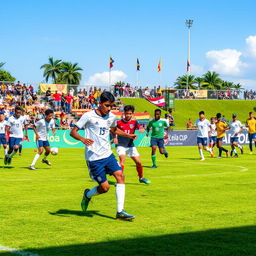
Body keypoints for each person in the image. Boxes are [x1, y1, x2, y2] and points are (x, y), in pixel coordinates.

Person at [70, 91, 137, 220]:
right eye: (107, 105)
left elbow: (113, 130)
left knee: (120, 176)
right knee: (105, 188)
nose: (109, 108)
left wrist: (128, 135)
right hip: (94, 157)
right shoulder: (88, 116)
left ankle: (120, 212)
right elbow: (73, 132)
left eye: (111, 106)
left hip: (108, 154)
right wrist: (83, 139)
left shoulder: (111, 117)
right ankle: (88, 195)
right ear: (100, 103)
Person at [114, 105, 150, 184]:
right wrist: (114, 137)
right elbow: (113, 130)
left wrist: (141, 129)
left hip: (130, 145)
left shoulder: (134, 122)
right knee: (122, 160)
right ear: (124, 113)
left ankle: (141, 178)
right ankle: (120, 180)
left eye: (130, 114)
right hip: (121, 145)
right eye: (127, 113)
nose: (128, 115)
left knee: (139, 162)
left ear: (132, 114)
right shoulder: (119, 122)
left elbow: (140, 127)